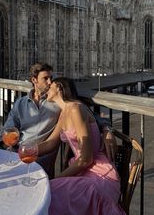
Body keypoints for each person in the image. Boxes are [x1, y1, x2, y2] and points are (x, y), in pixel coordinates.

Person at [0, 63, 117, 178]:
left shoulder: (56, 103)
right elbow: (8, 128)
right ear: (34, 80)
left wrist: (107, 128)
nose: (50, 82)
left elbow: (89, 115)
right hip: (18, 151)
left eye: (51, 78)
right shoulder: (20, 103)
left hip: (40, 157)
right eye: (45, 78)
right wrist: (4, 145)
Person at [38, 77, 125, 215]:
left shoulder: (75, 109)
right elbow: (51, 143)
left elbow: (86, 159)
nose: (47, 89)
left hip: (98, 175)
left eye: (51, 87)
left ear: (59, 88)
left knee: (49, 193)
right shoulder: (64, 112)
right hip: (82, 171)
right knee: (48, 194)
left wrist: (56, 179)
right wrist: (24, 151)